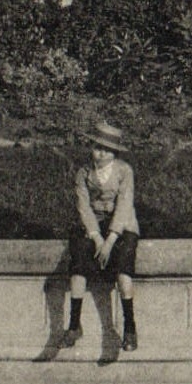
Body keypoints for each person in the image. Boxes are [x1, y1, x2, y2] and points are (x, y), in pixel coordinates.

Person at [63, 121, 140, 354]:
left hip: (122, 225)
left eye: (107, 150)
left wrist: (110, 240)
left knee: (124, 268)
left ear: (114, 153)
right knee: (78, 260)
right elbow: (83, 207)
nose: (101, 153)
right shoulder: (83, 173)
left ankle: (129, 327)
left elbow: (125, 205)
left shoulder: (124, 171)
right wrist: (97, 238)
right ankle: (74, 324)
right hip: (94, 226)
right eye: (97, 147)